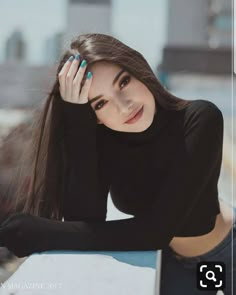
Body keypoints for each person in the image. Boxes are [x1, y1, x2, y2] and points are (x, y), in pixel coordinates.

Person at [0, 33, 234, 294]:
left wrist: (44, 232)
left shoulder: (201, 119)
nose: (123, 107)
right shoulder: (106, 140)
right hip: (171, 261)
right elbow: (85, 218)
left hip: (223, 254)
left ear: (138, 70)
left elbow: (156, 231)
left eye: (123, 82)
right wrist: (78, 118)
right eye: (100, 102)